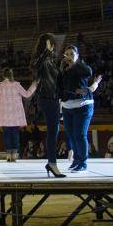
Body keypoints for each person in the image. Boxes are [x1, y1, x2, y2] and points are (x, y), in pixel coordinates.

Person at [59, 45, 102, 172]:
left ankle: (83, 162)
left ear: (77, 55)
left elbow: (89, 72)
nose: (69, 56)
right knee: (71, 135)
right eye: (67, 54)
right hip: (67, 106)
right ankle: (77, 160)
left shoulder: (81, 67)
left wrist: (75, 63)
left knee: (80, 134)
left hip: (83, 106)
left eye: (72, 53)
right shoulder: (64, 70)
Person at [31, 33, 65, 177]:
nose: (52, 46)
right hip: (46, 98)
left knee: (54, 131)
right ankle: (52, 163)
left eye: (51, 44)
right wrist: (45, 51)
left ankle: (51, 163)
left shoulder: (51, 59)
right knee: (52, 132)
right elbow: (34, 67)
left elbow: (56, 80)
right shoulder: (42, 58)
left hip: (54, 98)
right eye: (49, 43)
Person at [0, 68, 36, 163]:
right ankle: (15, 155)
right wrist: (34, 85)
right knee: (15, 134)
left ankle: (8, 155)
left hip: (3, 114)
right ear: (12, 75)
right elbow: (27, 95)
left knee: (7, 135)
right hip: (15, 115)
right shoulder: (17, 85)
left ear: (3, 75)